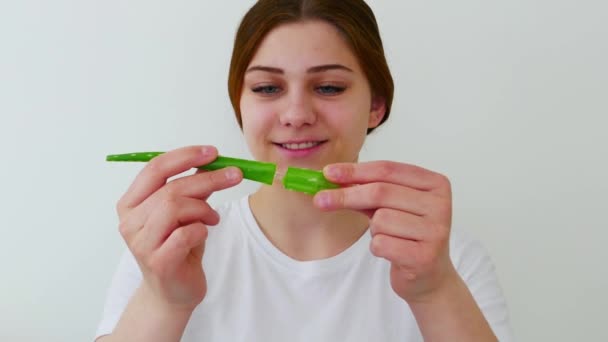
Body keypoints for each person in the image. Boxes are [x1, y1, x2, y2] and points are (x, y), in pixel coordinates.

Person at [95, 1, 513, 341]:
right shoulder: (172, 247)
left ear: (375, 105)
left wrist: (434, 292)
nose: (296, 114)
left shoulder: (445, 258)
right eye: (267, 88)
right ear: (240, 104)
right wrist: (164, 301)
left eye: (329, 87)